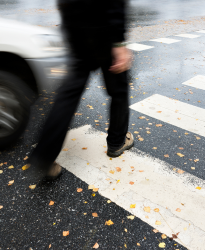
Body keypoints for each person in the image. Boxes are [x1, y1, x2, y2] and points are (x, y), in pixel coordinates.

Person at [27, 0, 134, 180]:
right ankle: (117, 142)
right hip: (102, 23)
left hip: (74, 22)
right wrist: (118, 42)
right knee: (119, 88)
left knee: (69, 92)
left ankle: (44, 156)